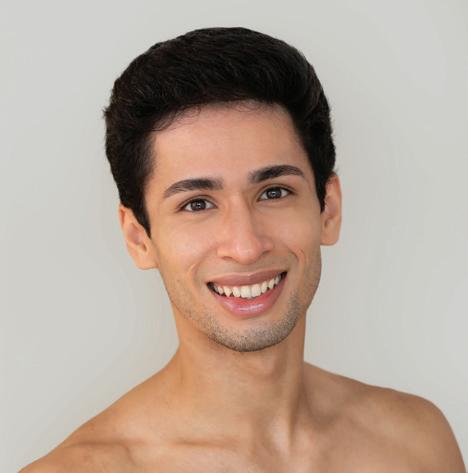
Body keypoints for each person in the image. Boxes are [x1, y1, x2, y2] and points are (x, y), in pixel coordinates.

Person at [21, 26, 465, 472]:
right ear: (139, 238)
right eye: (197, 204)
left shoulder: (416, 444)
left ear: (328, 209)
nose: (246, 246)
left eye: (274, 192)